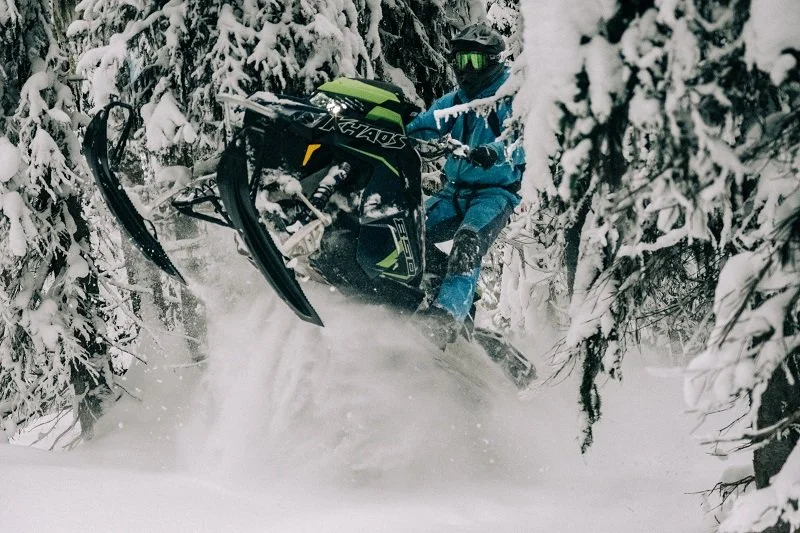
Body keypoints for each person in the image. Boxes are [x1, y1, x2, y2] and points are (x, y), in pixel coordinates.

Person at [406, 22, 524, 348]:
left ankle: (445, 317)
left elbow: (519, 140)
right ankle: (427, 285)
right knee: (407, 228)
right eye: (460, 61)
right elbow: (424, 125)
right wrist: (402, 130)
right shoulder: (455, 101)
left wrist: (493, 152)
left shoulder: (508, 98)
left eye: (474, 62)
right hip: (453, 190)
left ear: (493, 61)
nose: (466, 71)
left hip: (494, 194)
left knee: (468, 240)